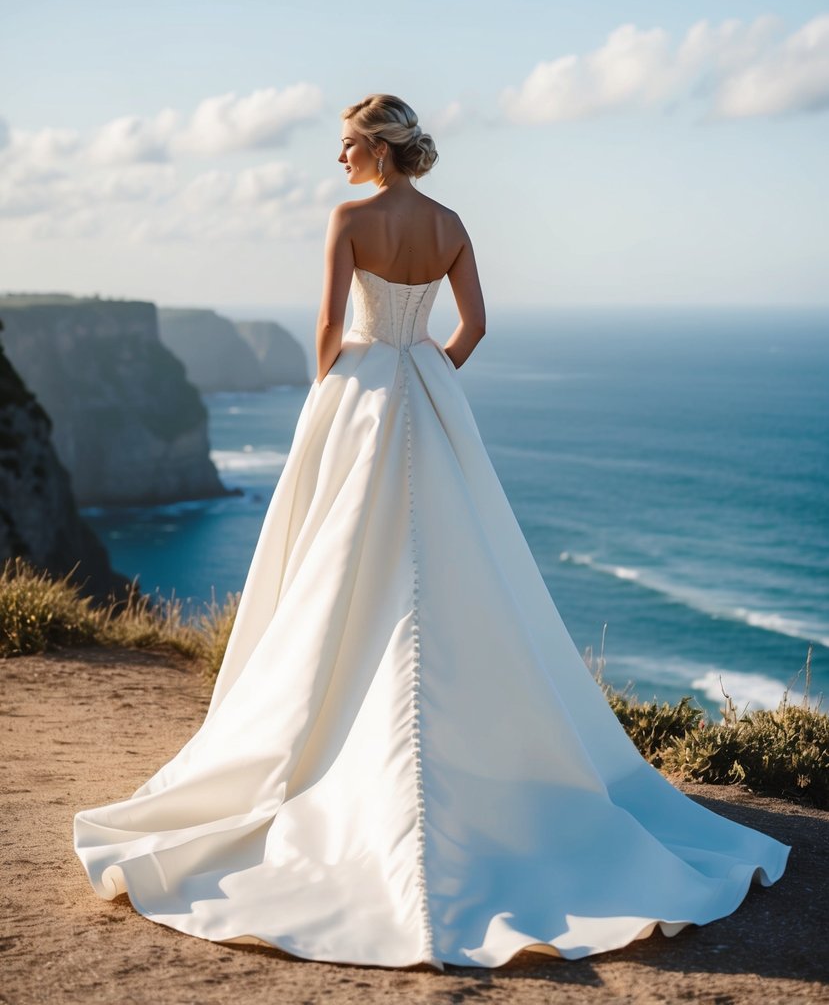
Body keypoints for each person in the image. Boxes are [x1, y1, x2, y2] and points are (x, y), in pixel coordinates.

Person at [74, 93, 790, 972]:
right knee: (460, 568)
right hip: (426, 391)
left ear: (378, 148)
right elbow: (475, 327)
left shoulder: (348, 217)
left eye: (346, 145)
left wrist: (339, 392)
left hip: (361, 395)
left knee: (339, 566)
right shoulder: (450, 222)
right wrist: (428, 370)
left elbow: (331, 327)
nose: (338, 160)